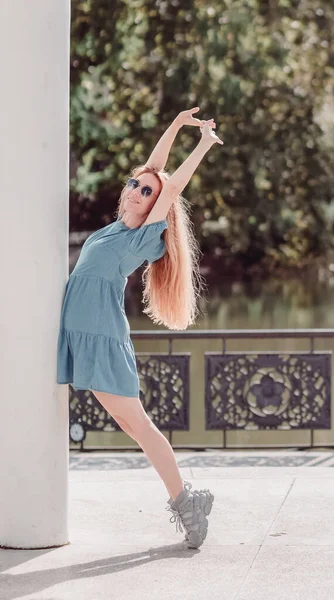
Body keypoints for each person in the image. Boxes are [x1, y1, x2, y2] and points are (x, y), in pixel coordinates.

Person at [57, 108, 223, 549]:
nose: (135, 190)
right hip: (83, 335)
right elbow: (156, 168)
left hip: (103, 339)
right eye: (133, 183)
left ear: (155, 205)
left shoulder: (143, 236)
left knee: (141, 428)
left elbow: (172, 183)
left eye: (144, 190)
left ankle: (188, 503)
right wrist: (174, 125)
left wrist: (203, 143)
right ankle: (190, 500)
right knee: (134, 428)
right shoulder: (114, 228)